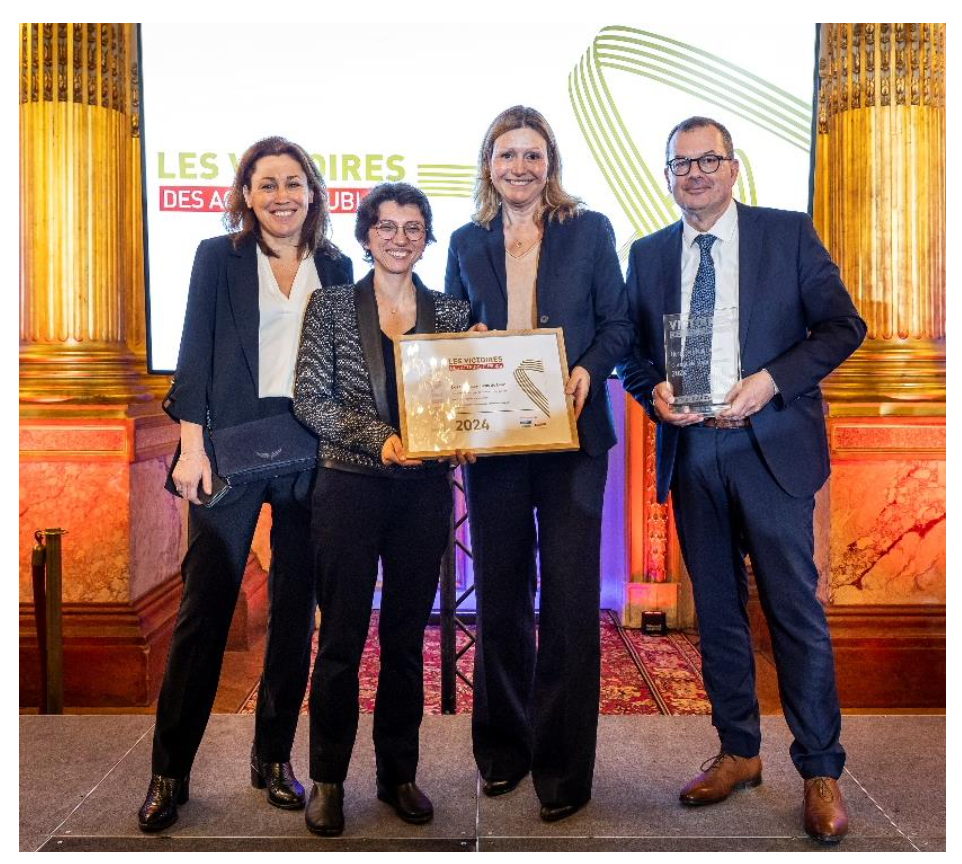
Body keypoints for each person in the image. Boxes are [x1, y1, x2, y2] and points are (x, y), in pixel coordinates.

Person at [617, 116, 866, 845]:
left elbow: (841, 328)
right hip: (693, 454)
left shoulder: (786, 234)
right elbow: (634, 354)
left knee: (793, 611)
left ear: (734, 168)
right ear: (667, 177)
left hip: (772, 448)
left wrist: (770, 382)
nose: (694, 174)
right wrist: (651, 392)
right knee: (718, 615)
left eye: (708, 161)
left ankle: (820, 770)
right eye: (680, 164)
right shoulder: (651, 253)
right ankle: (739, 753)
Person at [138, 137, 353, 832]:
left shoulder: (339, 265)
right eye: (267, 184)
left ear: (314, 192)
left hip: (312, 452)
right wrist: (190, 448)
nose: (282, 195)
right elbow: (193, 353)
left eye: (294, 182)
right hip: (228, 450)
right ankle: (169, 773)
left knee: (294, 614)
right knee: (205, 612)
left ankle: (271, 759)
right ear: (247, 194)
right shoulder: (217, 257)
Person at [445, 105, 633, 822]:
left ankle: (563, 769)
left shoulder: (590, 230)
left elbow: (617, 324)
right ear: (488, 164)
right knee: (497, 598)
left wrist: (587, 369)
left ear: (549, 163)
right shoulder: (466, 239)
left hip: (571, 441)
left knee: (569, 604)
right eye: (505, 155)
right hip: (495, 443)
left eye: (531, 154)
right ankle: (502, 752)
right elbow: (452, 328)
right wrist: (470, 337)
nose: (518, 167)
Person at [293, 182, 471, 836]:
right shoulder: (331, 306)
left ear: (427, 239)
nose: (399, 238)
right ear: (367, 235)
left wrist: (469, 434)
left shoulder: (452, 314)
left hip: (422, 494)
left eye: (413, 228)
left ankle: (399, 774)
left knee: (404, 639)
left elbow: (463, 405)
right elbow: (311, 400)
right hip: (349, 487)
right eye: (387, 227)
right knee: (339, 638)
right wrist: (382, 440)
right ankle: (328, 780)